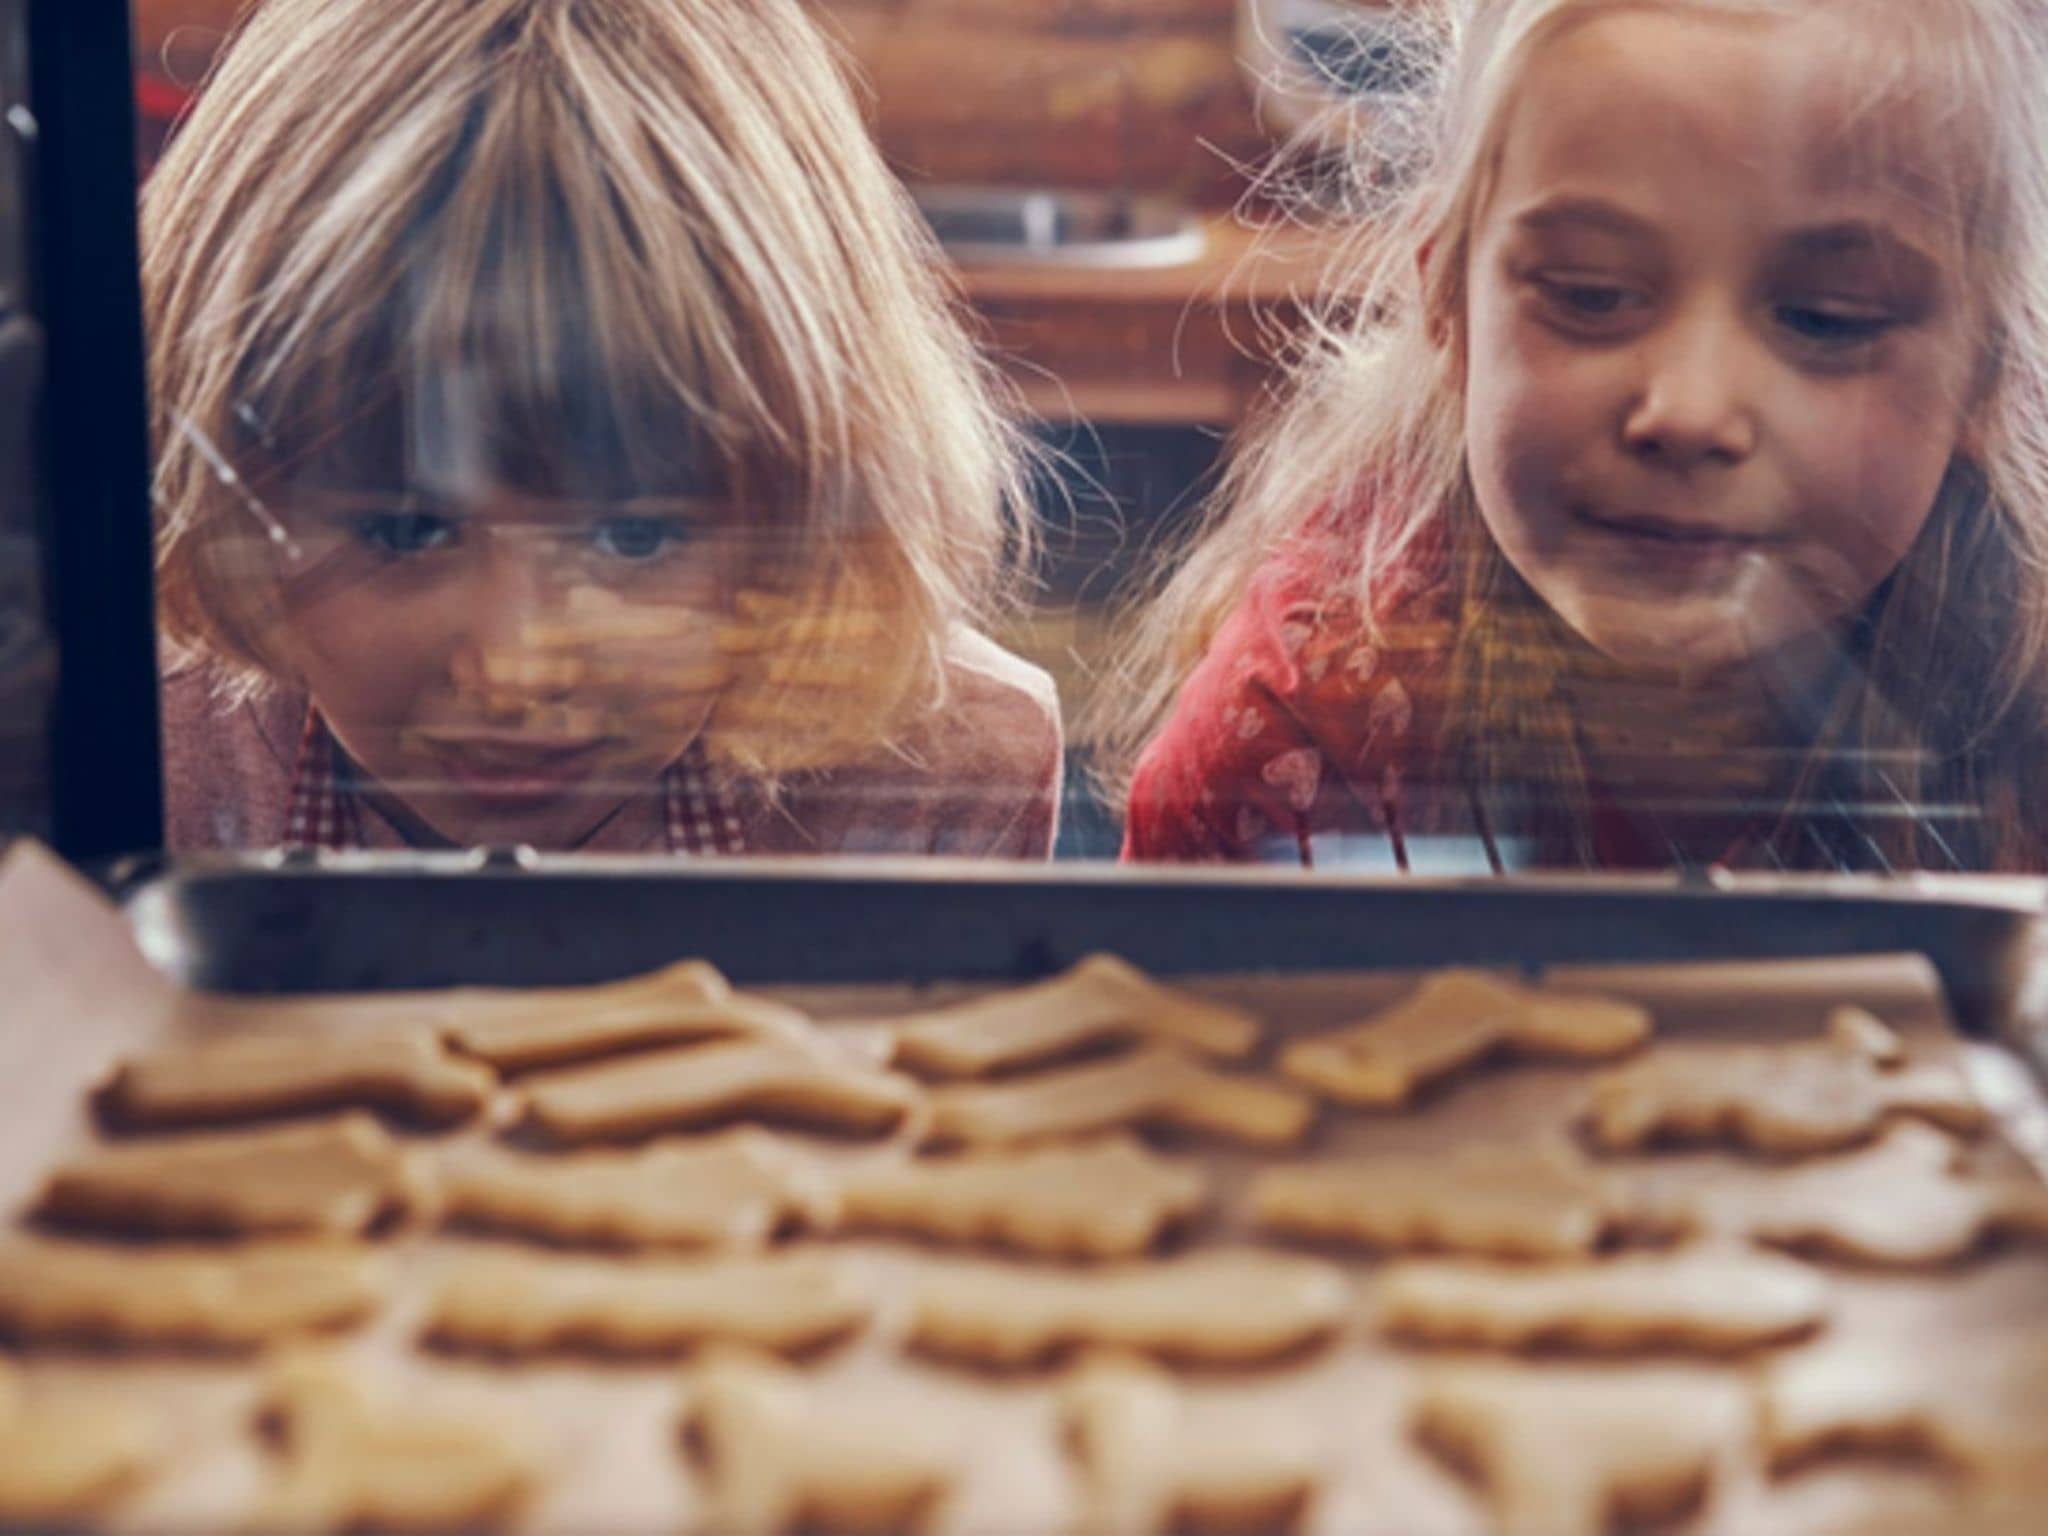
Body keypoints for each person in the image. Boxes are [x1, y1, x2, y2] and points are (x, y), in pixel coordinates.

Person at [1101, 0, 2048, 873]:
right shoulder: (1300, 725)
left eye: (1828, 319)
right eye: (1590, 294)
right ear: (1448, 306)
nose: (1687, 410)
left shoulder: (2024, 694)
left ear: (1987, 373)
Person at [147, 0, 1061, 858]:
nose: (516, 670)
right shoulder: (127, 752)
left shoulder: (945, 776)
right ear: (231, 490)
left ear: (812, 496)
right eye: (405, 529)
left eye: (635, 535)